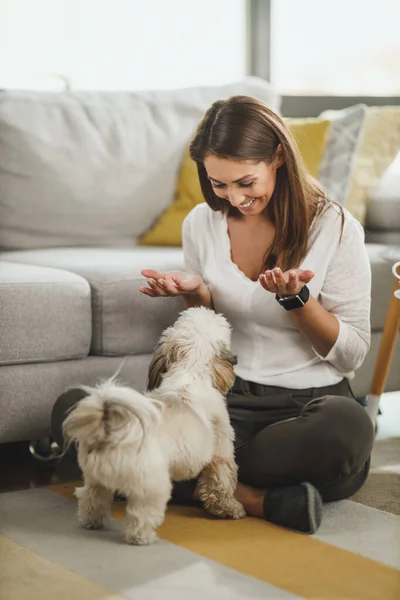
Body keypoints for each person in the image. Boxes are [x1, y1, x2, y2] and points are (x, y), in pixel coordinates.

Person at [51, 96, 374, 535]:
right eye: (219, 184)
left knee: (346, 427)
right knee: (82, 413)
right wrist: (197, 294)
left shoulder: (334, 227)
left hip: (303, 410)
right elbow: (210, 333)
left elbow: (351, 355)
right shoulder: (201, 223)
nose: (236, 198)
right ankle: (258, 498)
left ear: (278, 155)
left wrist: (298, 301)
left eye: (245, 182)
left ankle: (171, 472)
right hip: (219, 406)